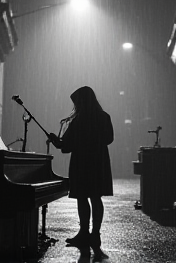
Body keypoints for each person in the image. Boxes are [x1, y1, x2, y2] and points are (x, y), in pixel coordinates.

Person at [49, 86, 114, 258]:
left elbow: (66, 146)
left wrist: (57, 141)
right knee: (95, 197)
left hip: (81, 163)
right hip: (98, 162)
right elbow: (109, 138)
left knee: (82, 197)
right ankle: (95, 235)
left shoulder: (78, 120)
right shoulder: (103, 117)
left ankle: (84, 233)